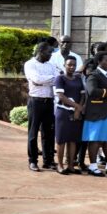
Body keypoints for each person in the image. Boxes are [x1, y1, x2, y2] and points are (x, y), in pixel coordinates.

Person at [24, 42, 58, 171]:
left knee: (48, 132)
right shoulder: (30, 64)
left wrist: (46, 80)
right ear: (41, 51)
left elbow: (58, 78)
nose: (51, 55)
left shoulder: (51, 65)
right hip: (36, 101)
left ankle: (48, 160)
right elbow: (36, 79)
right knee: (33, 132)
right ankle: (32, 161)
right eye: (49, 52)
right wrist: (49, 80)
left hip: (49, 101)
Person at [52, 56, 85, 174]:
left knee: (73, 140)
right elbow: (61, 96)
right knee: (61, 140)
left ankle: (71, 165)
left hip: (75, 113)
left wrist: (78, 110)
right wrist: (77, 106)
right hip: (63, 112)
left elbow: (82, 95)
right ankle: (60, 165)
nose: (72, 67)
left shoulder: (78, 79)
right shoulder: (60, 78)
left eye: (74, 65)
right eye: (69, 65)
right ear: (64, 65)